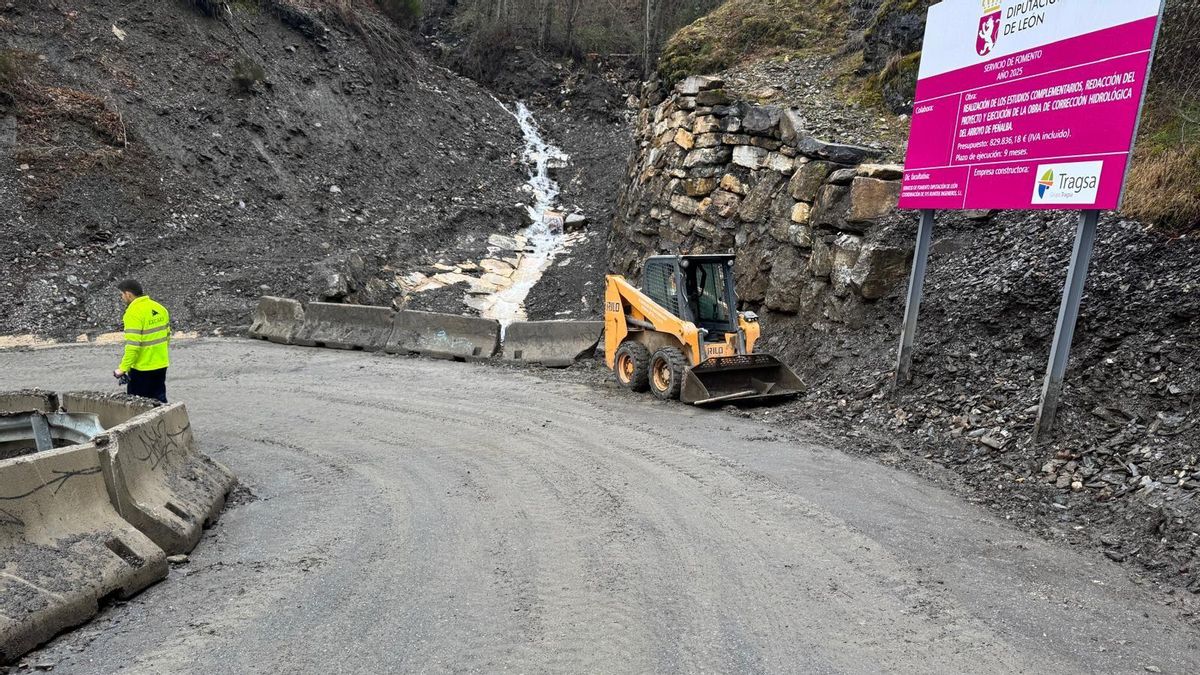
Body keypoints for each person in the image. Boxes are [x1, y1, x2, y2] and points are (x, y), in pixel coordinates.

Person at [113, 279, 171, 403]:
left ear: (128, 294)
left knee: (138, 405)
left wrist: (122, 368)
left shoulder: (133, 313)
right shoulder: (160, 308)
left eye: (122, 294)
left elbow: (133, 346)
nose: (122, 297)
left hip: (142, 369)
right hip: (161, 364)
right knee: (160, 401)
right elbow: (167, 336)